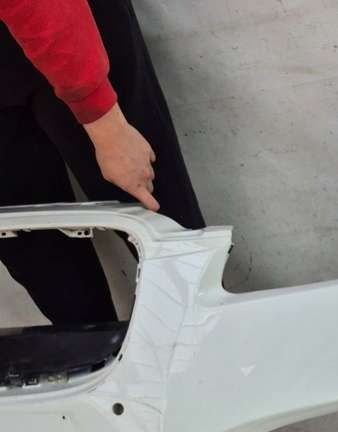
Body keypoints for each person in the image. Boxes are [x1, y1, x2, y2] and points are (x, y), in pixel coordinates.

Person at [0, 0, 204, 324]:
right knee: (29, 241)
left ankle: (203, 332)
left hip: (65, 24)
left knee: (157, 219)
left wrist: (104, 119)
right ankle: (94, 349)